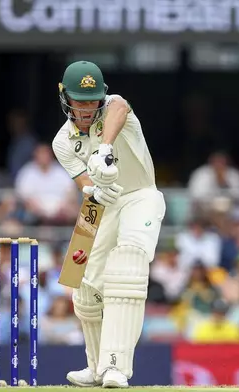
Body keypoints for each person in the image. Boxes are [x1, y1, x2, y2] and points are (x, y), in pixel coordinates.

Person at [51, 61, 166, 388]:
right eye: (79, 100)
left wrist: (104, 149)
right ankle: (96, 366)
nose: (87, 108)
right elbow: (84, 182)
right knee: (81, 283)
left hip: (139, 196)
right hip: (98, 205)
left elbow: (119, 105)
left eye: (91, 100)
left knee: (127, 266)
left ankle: (117, 366)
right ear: (65, 98)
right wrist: (94, 186)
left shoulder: (115, 110)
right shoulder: (62, 142)